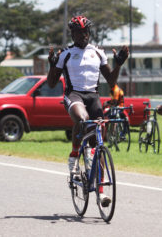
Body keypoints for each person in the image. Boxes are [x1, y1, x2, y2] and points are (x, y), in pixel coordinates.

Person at [47, 15, 129, 206]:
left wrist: (118, 64)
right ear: (73, 34)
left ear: (89, 33)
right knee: (82, 119)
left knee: (97, 142)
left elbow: (111, 81)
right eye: (78, 32)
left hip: (93, 97)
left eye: (85, 32)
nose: (83, 35)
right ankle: (74, 155)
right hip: (73, 95)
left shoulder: (98, 53)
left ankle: (101, 193)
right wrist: (52, 65)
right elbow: (51, 84)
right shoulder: (65, 54)